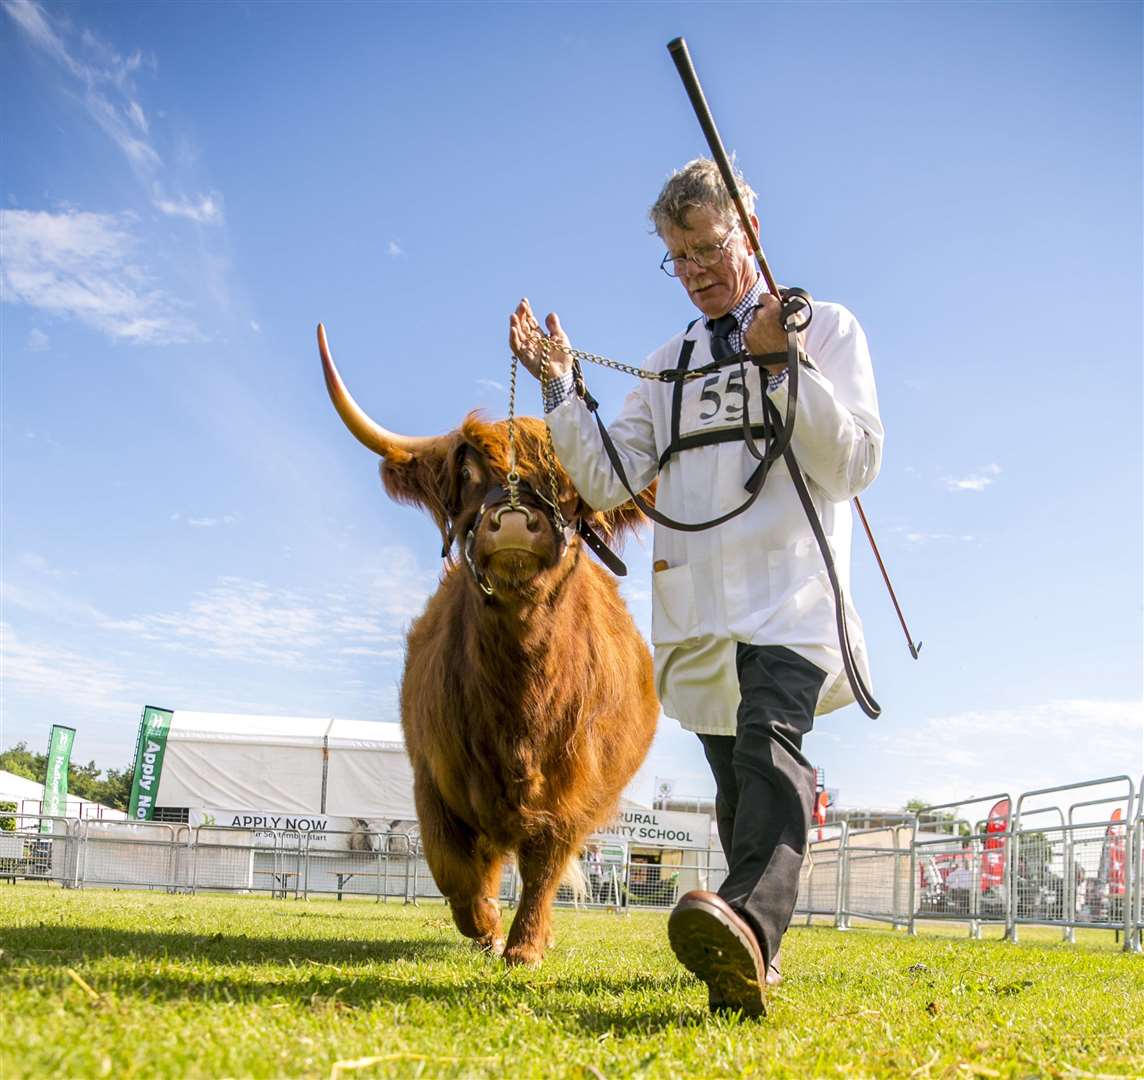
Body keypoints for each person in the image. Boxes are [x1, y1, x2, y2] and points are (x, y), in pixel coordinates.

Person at [509, 157, 882, 1017]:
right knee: (736, 782)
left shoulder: (823, 329)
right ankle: (749, 958)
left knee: (768, 748)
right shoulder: (664, 363)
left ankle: (747, 926)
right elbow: (607, 479)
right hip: (699, 610)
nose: (699, 270)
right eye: (680, 257)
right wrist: (563, 386)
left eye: (712, 248)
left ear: (748, 233)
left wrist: (786, 367)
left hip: (793, 597)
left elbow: (856, 460)